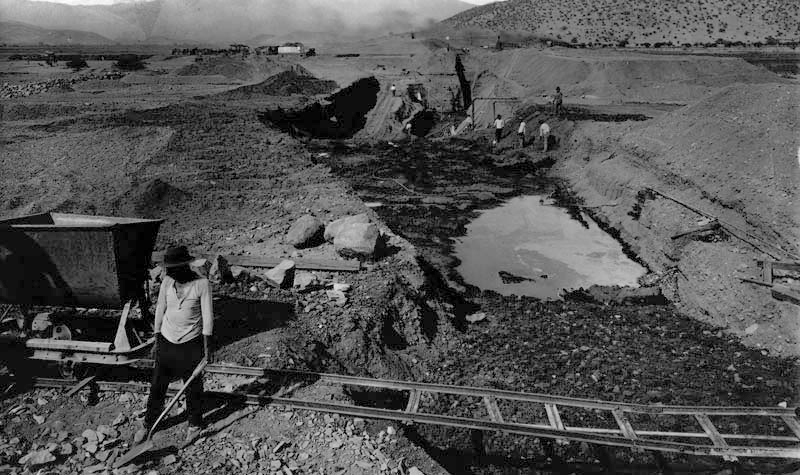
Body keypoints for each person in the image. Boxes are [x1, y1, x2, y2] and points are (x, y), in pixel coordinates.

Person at [138, 246, 214, 443]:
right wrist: (156, 338)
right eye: (167, 268)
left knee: (193, 387)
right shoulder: (167, 282)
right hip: (167, 338)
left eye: (171, 268)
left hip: (191, 342)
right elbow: (160, 309)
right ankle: (149, 423)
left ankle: (195, 424)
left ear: (183, 266)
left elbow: (207, 317)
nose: (167, 272)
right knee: (157, 385)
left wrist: (207, 349)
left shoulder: (202, 284)